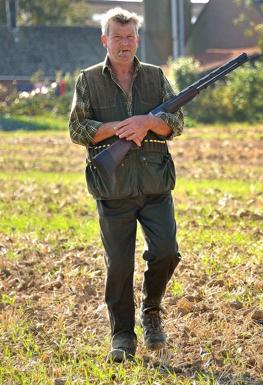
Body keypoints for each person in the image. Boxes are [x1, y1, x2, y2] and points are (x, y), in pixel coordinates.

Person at [69, 7, 183, 363]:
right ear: (105, 40)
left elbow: (176, 123)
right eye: (117, 37)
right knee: (119, 265)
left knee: (166, 251)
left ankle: (151, 311)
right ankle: (121, 336)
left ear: (137, 39)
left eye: (130, 37)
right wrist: (119, 127)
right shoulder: (87, 80)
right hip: (113, 188)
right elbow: (77, 129)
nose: (124, 43)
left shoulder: (155, 76)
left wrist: (148, 122)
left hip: (154, 184)